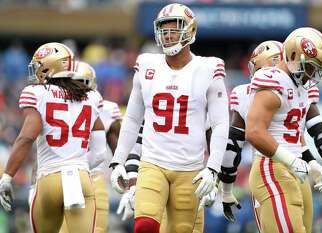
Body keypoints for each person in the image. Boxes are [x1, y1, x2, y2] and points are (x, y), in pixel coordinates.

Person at [109, 3, 229, 233]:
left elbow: (221, 123)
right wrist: (117, 161)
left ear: (190, 31)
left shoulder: (207, 68)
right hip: (152, 163)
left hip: (190, 169)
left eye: (175, 29)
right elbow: (133, 119)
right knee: (145, 225)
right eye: (164, 30)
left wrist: (213, 168)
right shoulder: (147, 65)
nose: (169, 35)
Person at [0, 42, 106, 233]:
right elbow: (99, 151)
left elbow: (26, 137)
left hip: (49, 179)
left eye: (39, 66)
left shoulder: (38, 94)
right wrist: (77, 165)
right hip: (81, 178)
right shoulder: (92, 97)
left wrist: (7, 176)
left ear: (50, 67)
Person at [245, 27, 322, 233]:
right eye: (310, 66)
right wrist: (291, 160)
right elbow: (254, 132)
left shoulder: (300, 86)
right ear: (293, 55)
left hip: (295, 167)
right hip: (272, 167)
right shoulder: (274, 80)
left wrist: (310, 162)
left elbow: (292, 132)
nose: (312, 74)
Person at [58, 61, 122, 233]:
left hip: (82, 177)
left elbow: (119, 149)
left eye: (81, 83)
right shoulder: (53, 103)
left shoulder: (105, 108)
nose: (76, 87)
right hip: (80, 177)